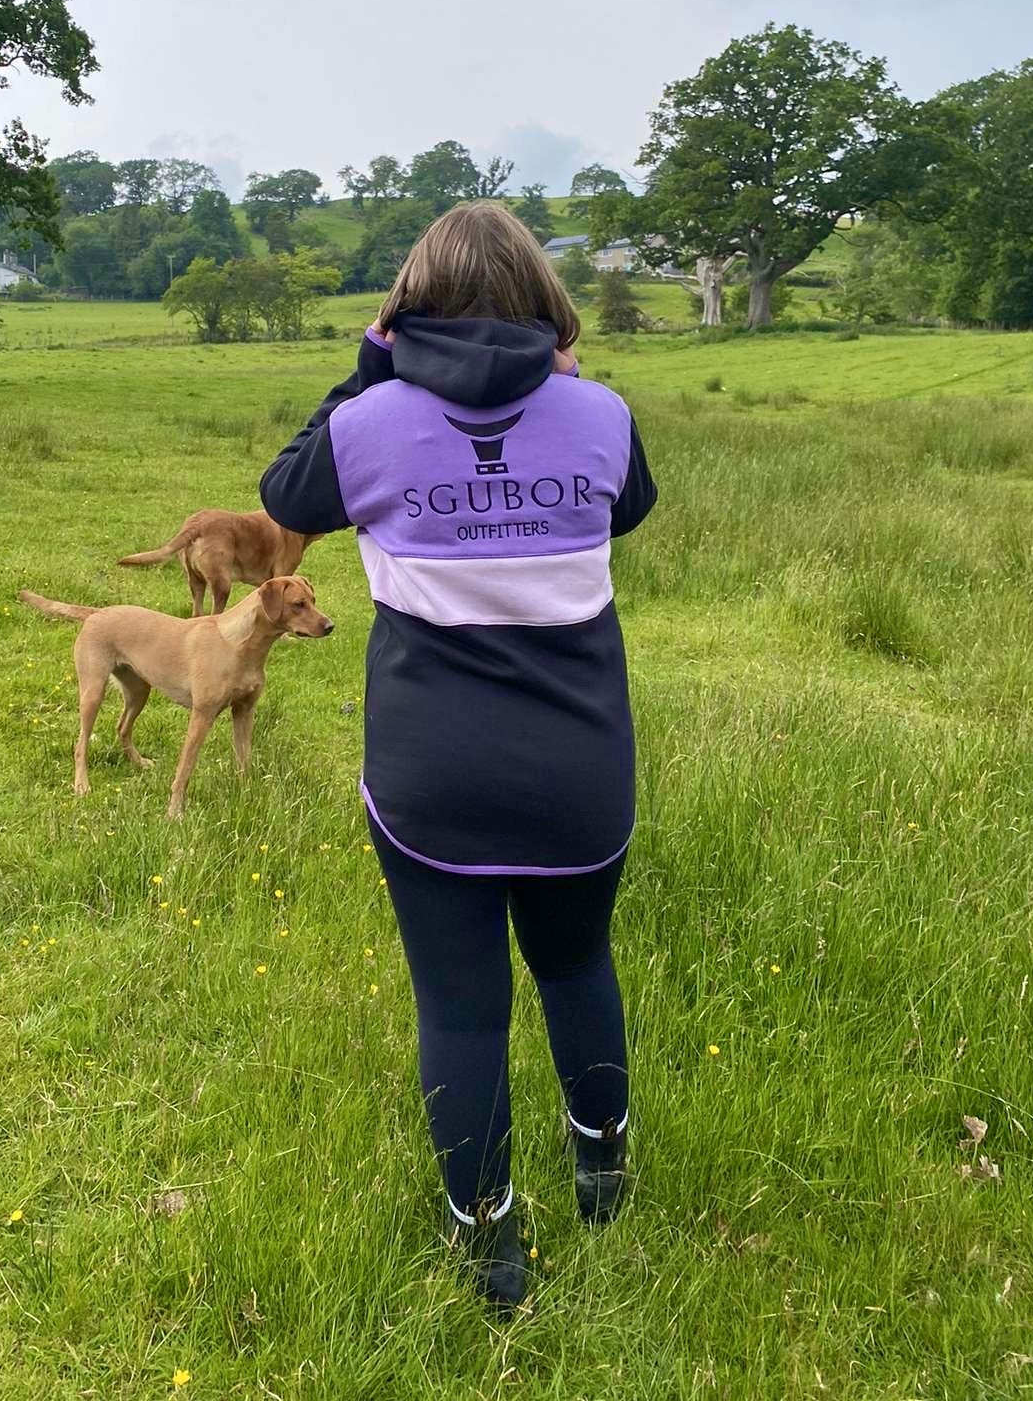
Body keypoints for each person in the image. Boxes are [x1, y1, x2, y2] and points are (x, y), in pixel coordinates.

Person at [259, 202, 656, 1310]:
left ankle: (491, 1252)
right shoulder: (601, 416)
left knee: (464, 1009)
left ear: (404, 311)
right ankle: (603, 1175)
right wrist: (565, 382)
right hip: (582, 769)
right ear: (545, 305)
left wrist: (369, 363)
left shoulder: (370, 422)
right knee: (578, 965)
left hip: (431, 780)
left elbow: (285, 493)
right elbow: (630, 504)